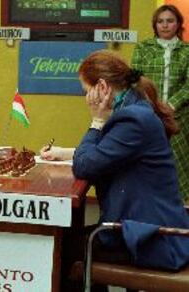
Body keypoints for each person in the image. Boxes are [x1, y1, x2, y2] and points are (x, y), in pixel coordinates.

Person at [41, 50, 189, 291]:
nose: (85, 97)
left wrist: (96, 121)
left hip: (151, 239)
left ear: (101, 86)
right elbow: (108, 151)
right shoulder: (136, 107)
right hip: (153, 228)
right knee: (74, 240)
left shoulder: (132, 119)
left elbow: (86, 166)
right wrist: (67, 152)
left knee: (59, 247)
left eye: (85, 90)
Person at [131, 4, 189, 202]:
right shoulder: (143, 48)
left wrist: (170, 106)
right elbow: (135, 82)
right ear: (155, 25)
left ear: (179, 24)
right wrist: (153, 106)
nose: (165, 25)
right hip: (149, 115)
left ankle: (178, 210)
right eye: (160, 21)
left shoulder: (187, 51)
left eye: (170, 21)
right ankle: (150, 204)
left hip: (179, 117)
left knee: (178, 165)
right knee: (148, 161)